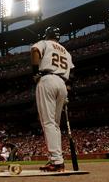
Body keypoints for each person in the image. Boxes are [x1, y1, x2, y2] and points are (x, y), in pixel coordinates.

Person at [30, 27, 74, 172]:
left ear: (47, 35)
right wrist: (67, 89)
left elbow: (34, 50)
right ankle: (57, 158)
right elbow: (71, 72)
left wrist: (35, 73)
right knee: (55, 124)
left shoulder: (45, 43)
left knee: (48, 122)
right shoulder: (66, 52)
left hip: (47, 79)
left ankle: (56, 161)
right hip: (62, 83)